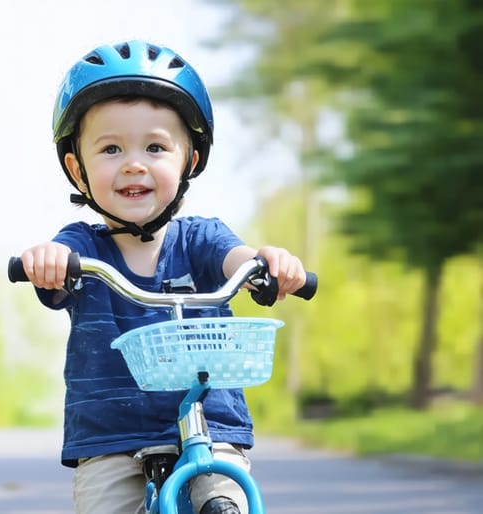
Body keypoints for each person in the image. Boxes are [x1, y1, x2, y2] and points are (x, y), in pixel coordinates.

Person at [17, 41, 308, 514]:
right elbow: (56, 265)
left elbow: (239, 259)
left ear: (189, 160)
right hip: (111, 435)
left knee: (225, 500)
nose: (134, 163)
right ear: (78, 168)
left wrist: (266, 265)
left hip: (209, 425)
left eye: (155, 147)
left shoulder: (202, 239)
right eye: (110, 148)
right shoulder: (82, 247)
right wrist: (47, 261)